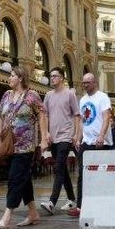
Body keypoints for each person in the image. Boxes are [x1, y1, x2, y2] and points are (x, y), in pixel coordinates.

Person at [0, 66, 44, 229]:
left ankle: (6, 218)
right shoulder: (6, 95)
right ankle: (33, 213)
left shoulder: (32, 96)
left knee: (15, 179)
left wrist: (44, 137)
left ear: (20, 78)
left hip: (25, 146)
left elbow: (42, 114)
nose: (9, 77)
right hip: (9, 145)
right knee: (23, 179)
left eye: (12, 75)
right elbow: (0, 116)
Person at [68, 73, 112, 218]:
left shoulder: (103, 97)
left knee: (100, 175)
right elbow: (82, 121)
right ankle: (80, 207)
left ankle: (103, 205)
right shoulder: (83, 100)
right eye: (83, 83)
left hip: (100, 143)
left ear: (94, 83)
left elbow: (106, 117)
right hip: (86, 143)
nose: (85, 85)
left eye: (87, 82)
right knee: (82, 175)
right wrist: (78, 137)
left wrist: (101, 135)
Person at [39, 67, 80, 215]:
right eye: (51, 76)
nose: (52, 78)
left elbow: (76, 115)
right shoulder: (48, 95)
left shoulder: (70, 94)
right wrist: (47, 132)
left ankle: (52, 202)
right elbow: (46, 116)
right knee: (62, 169)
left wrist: (75, 134)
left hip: (65, 136)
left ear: (62, 78)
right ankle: (71, 199)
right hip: (53, 138)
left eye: (55, 76)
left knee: (58, 168)